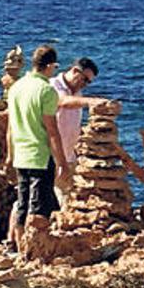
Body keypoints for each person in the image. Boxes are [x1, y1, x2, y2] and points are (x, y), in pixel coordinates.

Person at [4, 45, 71, 251]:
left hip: (21, 155)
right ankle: (30, 251)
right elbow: (52, 131)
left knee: (22, 203)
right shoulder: (46, 90)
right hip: (40, 156)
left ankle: (14, 245)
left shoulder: (16, 88)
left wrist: (9, 155)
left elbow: (10, 127)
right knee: (38, 207)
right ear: (50, 65)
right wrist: (62, 163)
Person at [50, 57, 107, 205]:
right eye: (85, 80)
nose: (85, 85)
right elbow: (63, 101)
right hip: (51, 156)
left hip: (69, 156)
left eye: (89, 82)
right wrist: (91, 101)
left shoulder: (77, 93)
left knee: (69, 199)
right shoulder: (53, 85)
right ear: (75, 71)